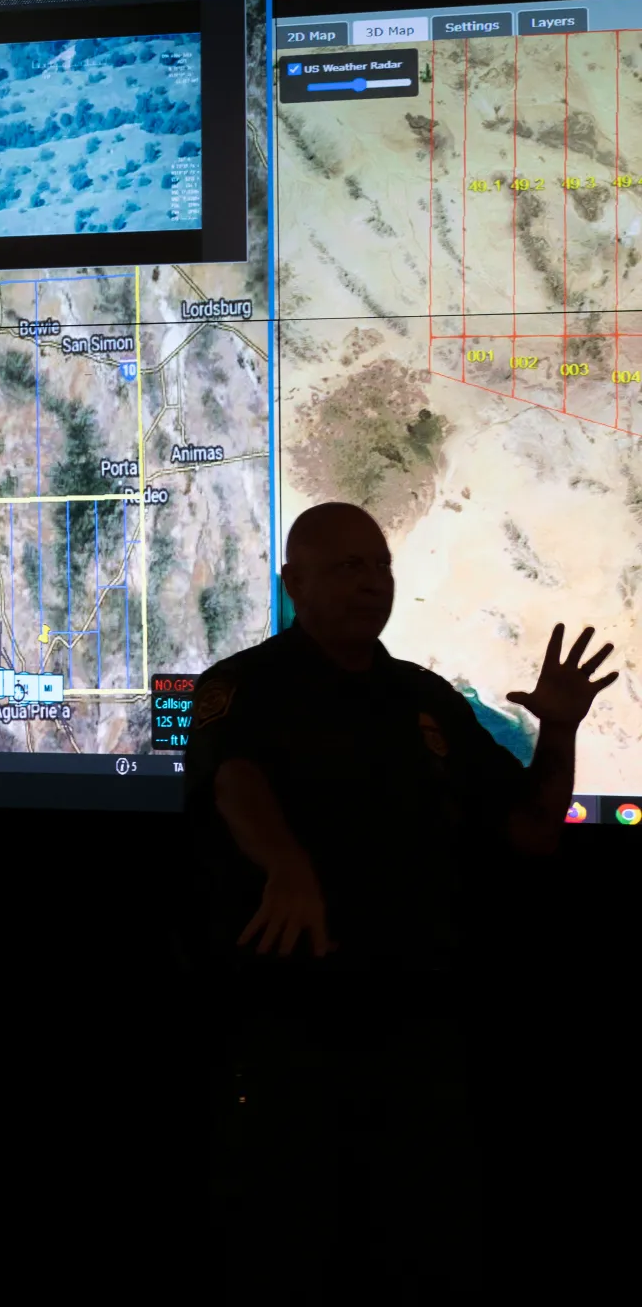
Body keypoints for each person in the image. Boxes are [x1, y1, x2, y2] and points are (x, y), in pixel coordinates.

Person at [184, 501, 615, 1303]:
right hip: (289, 1039)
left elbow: (531, 832)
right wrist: (286, 863)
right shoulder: (241, 686)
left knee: (426, 1260)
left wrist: (558, 734)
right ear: (293, 582)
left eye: (378, 566)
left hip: (420, 1045)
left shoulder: (425, 700)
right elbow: (233, 780)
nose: (370, 582)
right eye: (347, 566)